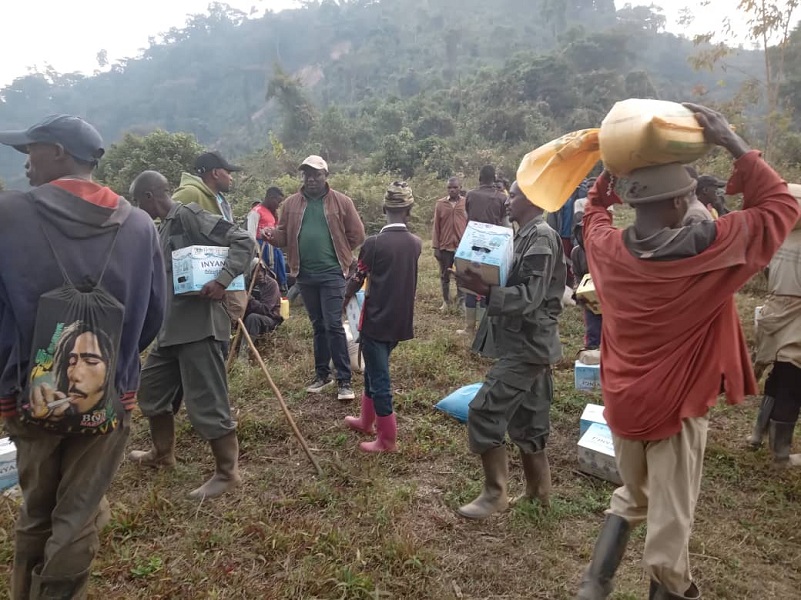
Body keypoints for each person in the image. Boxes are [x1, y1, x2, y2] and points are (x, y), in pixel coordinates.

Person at [575, 103, 800, 600]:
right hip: (676, 412)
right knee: (670, 531)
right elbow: (782, 207)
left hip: (623, 404)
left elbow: (594, 214)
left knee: (633, 495)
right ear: (682, 204)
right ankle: (673, 591)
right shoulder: (715, 254)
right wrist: (731, 141)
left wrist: (607, 176)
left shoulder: (606, 251)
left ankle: (594, 583)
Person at [0, 115, 166, 598]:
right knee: (78, 512)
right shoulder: (139, 225)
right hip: (110, 398)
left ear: (57, 152)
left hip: (29, 396)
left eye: (30, 151)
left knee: (37, 510)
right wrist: (113, 368)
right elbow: (155, 314)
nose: (25, 163)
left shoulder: (9, 215)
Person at [127, 170, 254, 500]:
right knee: (152, 393)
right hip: (170, 329)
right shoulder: (163, 227)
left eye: (138, 200)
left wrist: (223, 280)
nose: (137, 206)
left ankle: (228, 474)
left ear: (150, 196)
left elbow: (243, 240)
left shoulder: (191, 215)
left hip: (199, 328)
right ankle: (162, 454)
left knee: (208, 402)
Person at [455, 181, 565, 520]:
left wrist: (487, 292)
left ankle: (495, 493)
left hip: (528, 345)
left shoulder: (542, 237)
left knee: (484, 412)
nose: (507, 201)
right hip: (527, 343)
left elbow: (530, 296)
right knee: (529, 420)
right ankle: (538, 493)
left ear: (531, 200)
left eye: (514, 195)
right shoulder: (523, 235)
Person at [263, 155, 366, 401]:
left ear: (325, 176)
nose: (311, 179)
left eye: (316, 174)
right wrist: (271, 235)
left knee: (332, 324)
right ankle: (322, 375)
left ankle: (344, 380)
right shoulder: (291, 204)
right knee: (318, 325)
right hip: (305, 274)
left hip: (332, 273)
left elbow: (357, 234)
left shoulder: (341, 202)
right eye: (307, 174)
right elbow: (284, 236)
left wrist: (340, 254)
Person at [343, 182, 422, 452]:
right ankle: (366, 421)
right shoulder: (415, 244)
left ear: (383, 208)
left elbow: (357, 277)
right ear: (409, 211)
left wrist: (343, 298)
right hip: (400, 322)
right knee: (375, 370)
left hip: (376, 321)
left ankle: (387, 440)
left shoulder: (374, 244)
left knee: (380, 380)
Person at [748, 218, 801, 467]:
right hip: (797, 319)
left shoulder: (783, 239)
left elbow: (766, 270)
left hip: (775, 311)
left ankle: (757, 435)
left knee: (778, 374)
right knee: (792, 382)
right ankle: (781, 455)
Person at [460, 165, 509, 336]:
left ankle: (469, 327)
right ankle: (486, 327)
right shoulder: (502, 198)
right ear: (494, 179)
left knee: (470, 283)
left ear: (480, 179)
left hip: (472, 246)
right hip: (494, 249)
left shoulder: (470, 195)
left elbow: (467, 219)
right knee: (491, 285)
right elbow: (506, 225)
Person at [174, 150, 242, 222]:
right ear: (215, 173)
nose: (231, 178)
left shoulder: (220, 199)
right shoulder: (190, 192)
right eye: (228, 173)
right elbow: (168, 221)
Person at [432, 177, 467, 311]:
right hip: (445, 246)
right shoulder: (440, 204)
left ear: (460, 188)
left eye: (455, 187)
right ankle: (446, 301)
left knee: (461, 275)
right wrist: (436, 247)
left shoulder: (465, 203)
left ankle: (461, 301)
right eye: (449, 188)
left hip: (461, 246)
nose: (452, 190)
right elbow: (436, 226)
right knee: (444, 274)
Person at [247, 186, 288, 294]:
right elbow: (251, 233)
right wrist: (256, 252)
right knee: (265, 273)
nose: (278, 205)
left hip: (273, 248)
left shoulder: (271, 213)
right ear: (270, 198)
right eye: (277, 202)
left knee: (277, 272)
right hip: (262, 247)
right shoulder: (256, 212)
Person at [571, 213, 602, 350]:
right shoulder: (577, 253)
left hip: (609, 295)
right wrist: (578, 290)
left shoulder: (607, 249)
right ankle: (592, 352)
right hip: (591, 298)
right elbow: (577, 276)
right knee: (593, 331)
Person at [243, 265, 284, 339]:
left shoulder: (271, 284)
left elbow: (265, 309)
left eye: (262, 271)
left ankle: (245, 348)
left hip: (270, 318)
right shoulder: (245, 283)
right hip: (248, 314)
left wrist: (250, 299)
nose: (260, 274)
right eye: (256, 271)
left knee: (253, 318)